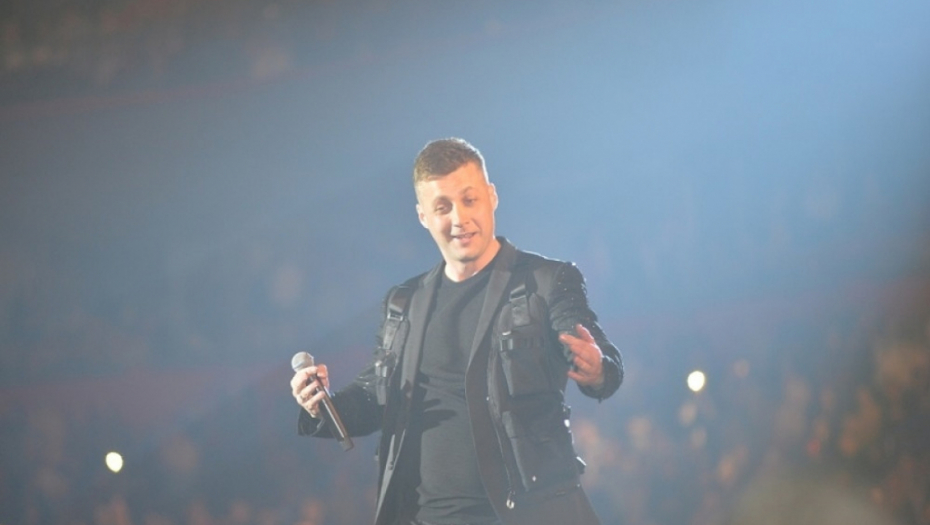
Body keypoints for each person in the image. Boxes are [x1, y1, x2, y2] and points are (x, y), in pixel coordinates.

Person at [290, 138, 624, 525]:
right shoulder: (404, 302)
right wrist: (321, 404)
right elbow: (375, 398)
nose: (459, 218)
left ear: (492, 196)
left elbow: (599, 355)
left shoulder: (546, 281)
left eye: (469, 200)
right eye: (442, 207)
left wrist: (597, 369)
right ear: (423, 216)